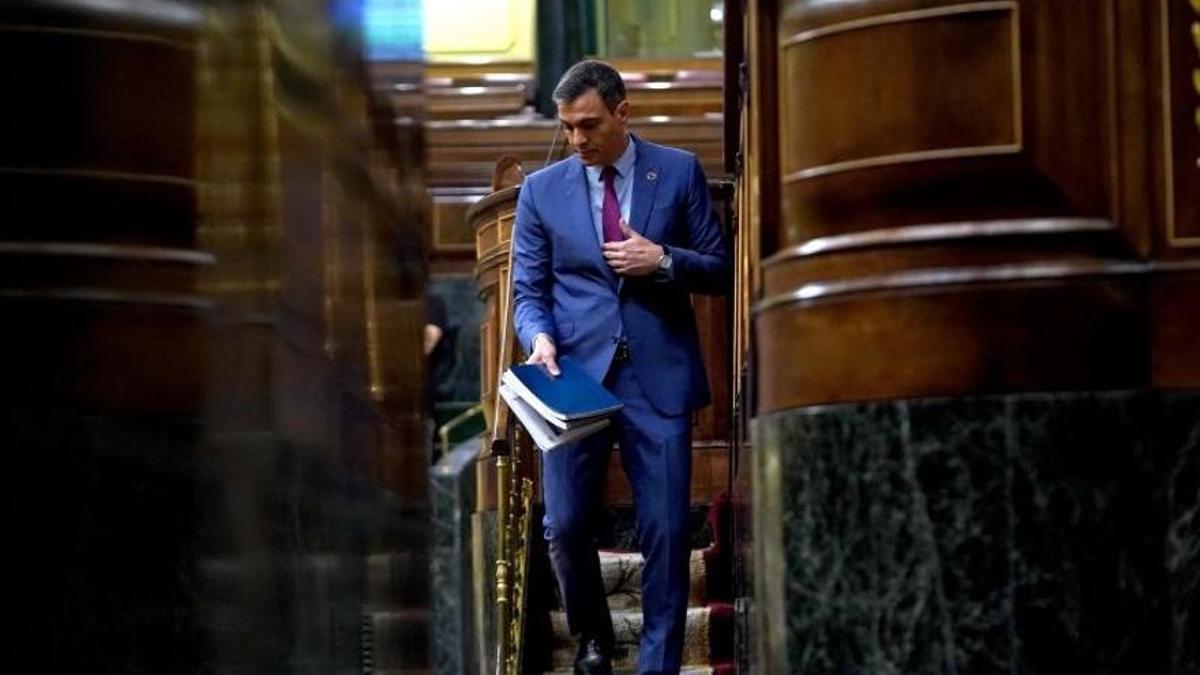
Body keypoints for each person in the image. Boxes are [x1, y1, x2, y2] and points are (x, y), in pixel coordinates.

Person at [512, 60, 729, 675]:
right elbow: (527, 291)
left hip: (656, 378)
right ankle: (592, 640)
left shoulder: (679, 170)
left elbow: (718, 267)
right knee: (566, 523)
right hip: (572, 380)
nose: (577, 140)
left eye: (589, 125)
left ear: (622, 113)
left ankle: (657, 664)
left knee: (663, 529)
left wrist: (662, 260)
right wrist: (539, 337)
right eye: (568, 127)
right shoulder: (541, 189)